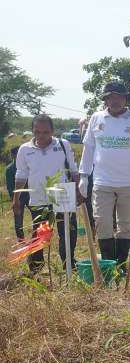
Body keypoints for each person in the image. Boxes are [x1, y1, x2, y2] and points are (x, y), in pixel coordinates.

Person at [78, 81, 130, 272]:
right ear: (105, 99)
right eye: (111, 97)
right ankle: (108, 265)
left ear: (125, 99)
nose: (115, 101)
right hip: (102, 181)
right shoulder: (97, 118)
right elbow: (89, 149)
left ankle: (121, 265)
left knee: (125, 224)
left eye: (119, 97)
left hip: (129, 182)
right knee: (102, 222)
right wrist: (84, 176)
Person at [12, 115, 79, 272]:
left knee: (67, 232)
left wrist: (79, 190)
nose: (41, 136)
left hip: (62, 194)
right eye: (37, 132)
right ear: (33, 131)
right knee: (41, 235)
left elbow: (74, 171)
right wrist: (16, 199)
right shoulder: (25, 149)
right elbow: (21, 175)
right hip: (39, 197)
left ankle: (68, 264)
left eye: (45, 132)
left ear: (52, 131)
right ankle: (36, 268)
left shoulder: (63, 145)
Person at [6, 146, 30, 240]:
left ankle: (38, 236)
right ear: (13, 155)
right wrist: (14, 200)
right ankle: (21, 239)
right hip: (18, 197)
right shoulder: (9, 169)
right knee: (18, 218)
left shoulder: (27, 166)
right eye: (17, 154)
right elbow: (10, 186)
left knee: (37, 214)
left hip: (29, 194)